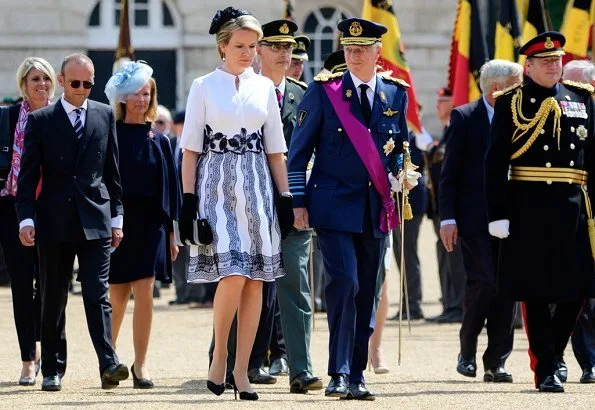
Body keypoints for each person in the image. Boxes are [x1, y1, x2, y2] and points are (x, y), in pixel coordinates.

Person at [289, 18, 411, 400]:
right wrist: (299, 203)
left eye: (362, 50)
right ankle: (337, 372)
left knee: (366, 294)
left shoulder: (395, 94)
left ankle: (357, 373)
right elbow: (298, 154)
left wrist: (404, 178)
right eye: (349, 49)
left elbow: (401, 149)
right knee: (345, 283)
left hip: (376, 208)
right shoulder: (325, 92)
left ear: (378, 53)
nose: (354, 55)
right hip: (332, 205)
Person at [178, 7, 291, 401]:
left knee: (256, 279)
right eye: (240, 45)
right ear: (222, 46)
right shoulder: (203, 86)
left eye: (253, 46)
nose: (248, 52)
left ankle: (243, 370)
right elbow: (190, 150)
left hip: (258, 186)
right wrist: (188, 202)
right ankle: (220, 357)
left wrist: (287, 196)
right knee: (234, 274)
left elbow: (276, 149)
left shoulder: (263, 88)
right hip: (216, 185)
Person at [485, 32, 595, 393]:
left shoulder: (581, 99)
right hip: (527, 206)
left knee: (577, 290)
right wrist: (497, 212)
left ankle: (554, 353)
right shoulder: (510, 102)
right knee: (534, 290)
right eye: (545, 61)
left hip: (573, 207)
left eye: (556, 60)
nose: (553, 65)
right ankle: (546, 367)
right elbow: (495, 162)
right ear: (528, 66)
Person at [15, 53, 128, 391]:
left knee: (97, 292)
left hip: (96, 218)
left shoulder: (105, 115)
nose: (82, 89)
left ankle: (108, 362)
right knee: (53, 297)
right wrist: (25, 219)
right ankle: (51, 367)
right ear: (61, 81)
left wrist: (117, 218)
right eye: (75, 82)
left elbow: (113, 173)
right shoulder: (42, 120)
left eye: (88, 83)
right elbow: (27, 177)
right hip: (54, 220)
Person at [440, 59, 522, 383]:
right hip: (474, 219)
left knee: (507, 288)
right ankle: (467, 348)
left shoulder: (522, 117)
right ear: (498, 88)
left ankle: (496, 361)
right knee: (484, 282)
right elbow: (450, 175)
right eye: (517, 84)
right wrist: (447, 218)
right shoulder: (464, 117)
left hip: (512, 216)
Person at [104, 61, 180, 389]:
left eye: (146, 93)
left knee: (146, 289)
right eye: (135, 93)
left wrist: (173, 234)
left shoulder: (159, 138)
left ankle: (141, 364)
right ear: (122, 97)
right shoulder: (109, 133)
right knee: (117, 296)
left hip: (152, 226)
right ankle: (109, 360)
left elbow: (171, 189)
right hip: (118, 224)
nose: (141, 98)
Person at [258, 20, 322, 393]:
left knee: (296, 286)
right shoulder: (243, 92)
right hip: (252, 204)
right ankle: (238, 360)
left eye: (289, 48)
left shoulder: (305, 94)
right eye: (276, 46)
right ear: (260, 50)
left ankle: (301, 369)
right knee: (247, 284)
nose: (284, 54)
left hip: (294, 207)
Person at [0, 57, 65, 386]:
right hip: (11, 207)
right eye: (35, 78)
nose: (41, 83)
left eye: (46, 78)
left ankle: (53, 354)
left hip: (53, 209)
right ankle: (29, 358)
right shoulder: (9, 117)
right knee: (23, 287)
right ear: (23, 84)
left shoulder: (61, 115)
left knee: (52, 285)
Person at [557, 59, 595, 384]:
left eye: (576, 87)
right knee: (578, 294)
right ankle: (587, 361)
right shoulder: (557, 116)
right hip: (575, 215)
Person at [425, 87, 465, 324]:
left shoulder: (457, 129)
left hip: (453, 208)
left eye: (444, 100)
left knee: (456, 258)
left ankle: (459, 305)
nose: (438, 105)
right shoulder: (446, 131)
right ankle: (450, 303)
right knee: (445, 257)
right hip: (439, 206)